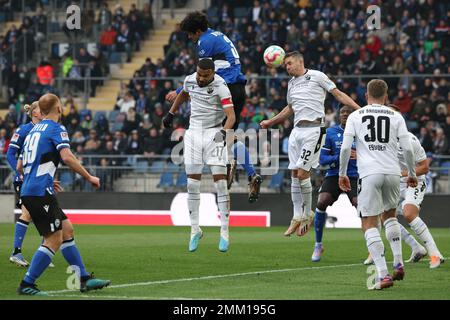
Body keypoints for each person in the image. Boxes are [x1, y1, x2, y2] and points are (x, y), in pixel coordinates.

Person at [17, 93, 110, 295]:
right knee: (54, 239)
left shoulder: (33, 131)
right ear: (59, 108)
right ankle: (27, 284)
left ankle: (83, 279)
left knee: (67, 230)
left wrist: (43, 178)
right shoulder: (56, 128)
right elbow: (67, 157)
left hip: (34, 189)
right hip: (39, 192)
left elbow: (20, 165)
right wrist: (89, 177)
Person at [165, 11, 262, 203]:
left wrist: (178, 91)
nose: (190, 38)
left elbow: (202, 73)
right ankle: (250, 173)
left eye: (190, 34)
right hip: (238, 89)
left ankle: (228, 166)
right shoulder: (218, 35)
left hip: (224, 88)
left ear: (198, 31)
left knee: (212, 132)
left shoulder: (204, 42)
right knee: (228, 136)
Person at [260, 51, 360, 237]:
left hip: (314, 130)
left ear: (300, 61)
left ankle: (308, 214)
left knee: (302, 172)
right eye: (285, 65)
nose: (287, 67)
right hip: (296, 131)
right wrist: (270, 122)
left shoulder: (317, 76)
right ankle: (297, 215)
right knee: (293, 173)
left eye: (289, 63)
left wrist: (359, 109)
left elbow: (337, 94)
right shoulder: (291, 84)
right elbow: (290, 108)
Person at [338, 79, 418, 290]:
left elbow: (346, 148)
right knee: (390, 216)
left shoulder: (355, 116)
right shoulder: (396, 116)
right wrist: (411, 173)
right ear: (386, 95)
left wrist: (342, 173)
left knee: (369, 224)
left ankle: (383, 275)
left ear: (366, 96)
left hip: (369, 174)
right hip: (392, 173)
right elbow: (408, 149)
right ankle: (399, 262)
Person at [162, 59, 235, 253]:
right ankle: (195, 230)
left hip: (214, 133)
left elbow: (232, 116)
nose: (201, 78)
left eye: (205, 75)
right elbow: (183, 94)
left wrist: (223, 133)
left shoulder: (221, 85)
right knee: (192, 184)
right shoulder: (190, 80)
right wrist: (171, 113)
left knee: (220, 184)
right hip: (193, 134)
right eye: (199, 74)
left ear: (212, 73)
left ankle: (225, 232)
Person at [364, 104, 444, 269]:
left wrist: (403, 174)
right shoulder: (381, 140)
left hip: (415, 180)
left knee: (408, 213)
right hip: (395, 182)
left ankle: (435, 254)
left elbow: (424, 167)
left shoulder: (410, 140)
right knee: (384, 216)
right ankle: (416, 247)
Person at [6, 101, 51, 267]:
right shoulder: (24, 130)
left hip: (40, 179)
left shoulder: (45, 129)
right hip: (25, 180)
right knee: (28, 213)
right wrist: (19, 173)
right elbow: (10, 154)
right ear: (34, 113)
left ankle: (44, 250)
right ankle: (16, 252)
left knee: (45, 213)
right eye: (41, 109)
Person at [311, 105, 358, 262]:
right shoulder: (330, 133)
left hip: (354, 175)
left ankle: (372, 248)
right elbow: (322, 159)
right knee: (322, 201)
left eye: (348, 112)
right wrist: (340, 157)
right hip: (334, 175)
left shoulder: (361, 133)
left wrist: (358, 155)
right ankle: (318, 244)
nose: (344, 114)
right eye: (342, 112)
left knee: (361, 206)